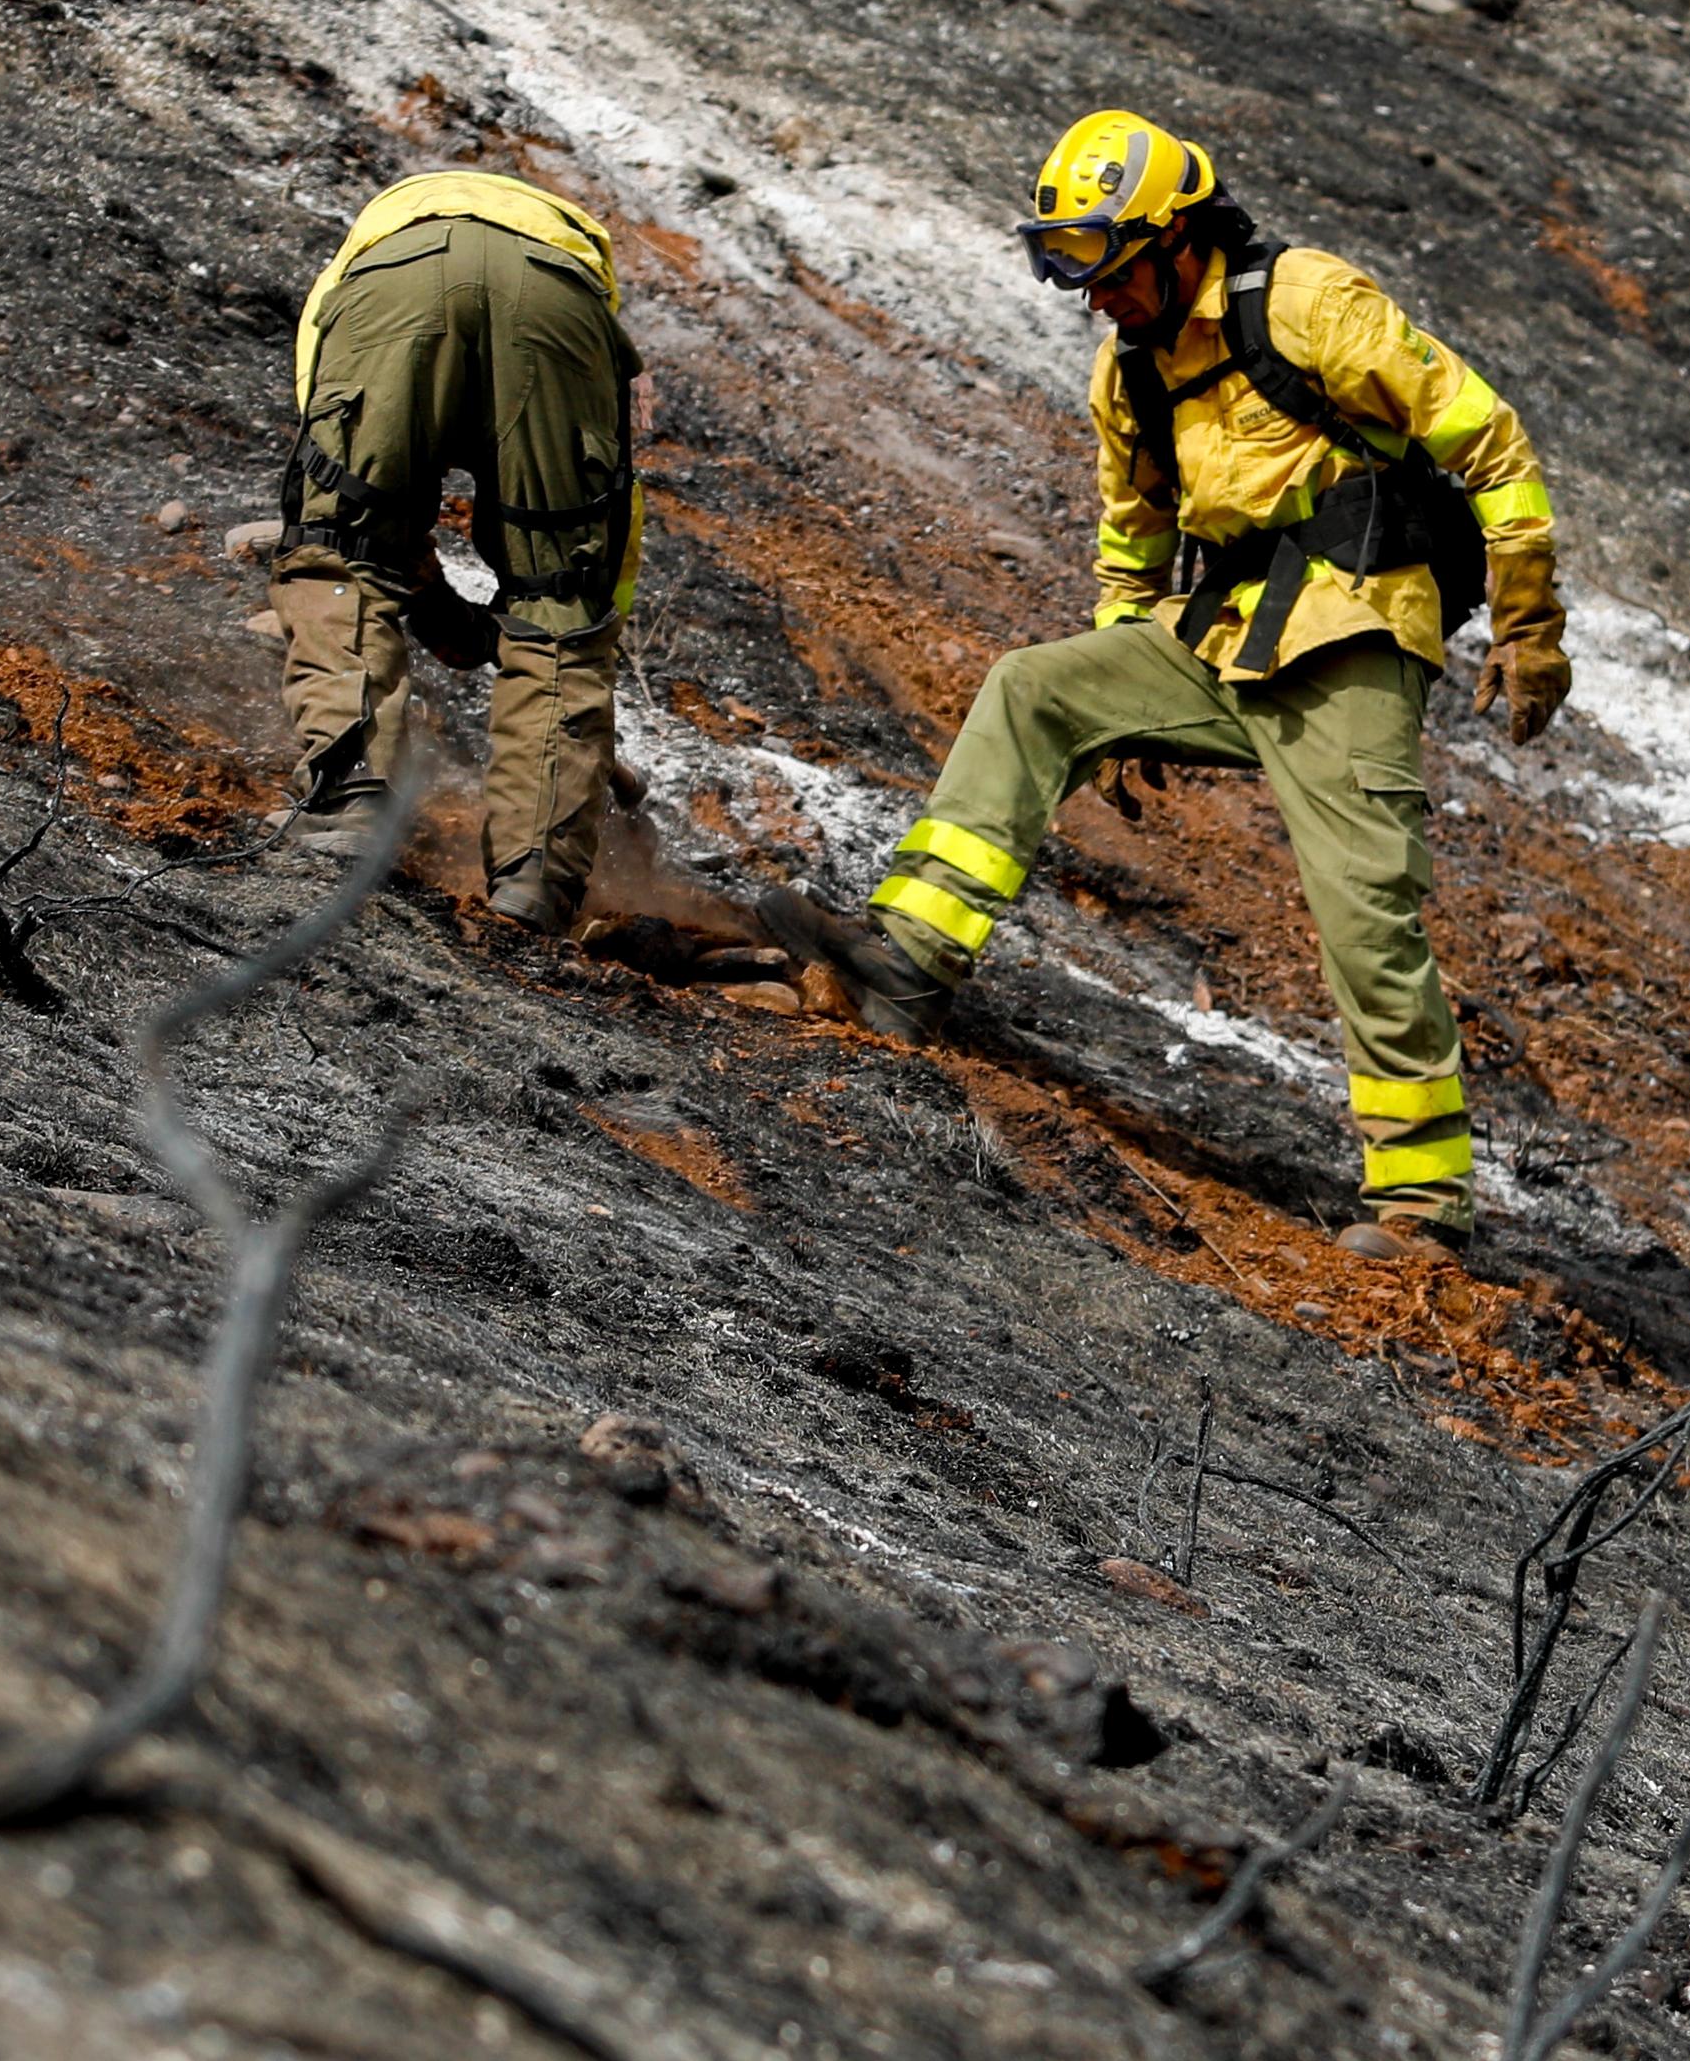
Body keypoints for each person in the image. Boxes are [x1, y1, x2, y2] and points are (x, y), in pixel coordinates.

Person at [815, 110, 1569, 1262]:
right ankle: (906, 962)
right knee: (1035, 689)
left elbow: (1489, 441)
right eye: (1069, 271)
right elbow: (1133, 540)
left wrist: (1527, 622)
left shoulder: (1307, 299)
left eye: (1105, 271)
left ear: (1174, 241)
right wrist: (1122, 682)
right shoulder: (1126, 372)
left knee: (1362, 909)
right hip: (1221, 634)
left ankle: (1421, 1205)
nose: (1091, 298)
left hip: (1353, 630)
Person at [268, 167, 640, 930]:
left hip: (395, 275)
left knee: (342, 546)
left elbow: (348, 522)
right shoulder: (588, 282)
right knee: (561, 591)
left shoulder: (352, 265)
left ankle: (346, 807)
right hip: (557, 293)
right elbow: (603, 558)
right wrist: (565, 624)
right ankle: (535, 879)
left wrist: (394, 568)